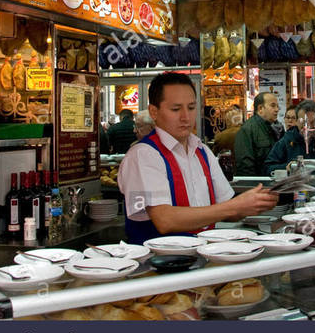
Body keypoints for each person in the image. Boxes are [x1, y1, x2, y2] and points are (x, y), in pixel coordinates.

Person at [118, 72, 278, 243]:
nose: (186, 117)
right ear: (154, 112)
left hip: (202, 259)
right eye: (176, 109)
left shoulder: (201, 150)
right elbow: (164, 220)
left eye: (192, 107)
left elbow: (226, 208)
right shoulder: (142, 156)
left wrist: (255, 202)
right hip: (156, 264)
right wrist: (234, 206)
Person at [264, 99, 315, 174]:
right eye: (304, 122)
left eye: (312, 122)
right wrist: (287, 167)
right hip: (295, 184)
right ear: (296, 121)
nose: (308, 127)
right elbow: (267, 168)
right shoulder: (287, 140)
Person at [234, 92, 280, 177]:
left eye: (277, 106)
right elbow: (245, 164)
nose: (277, 109)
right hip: (259, 183)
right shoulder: (248, 129)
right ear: (260, 108)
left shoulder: (274, 128)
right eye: (273, 106)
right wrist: (253, 185)